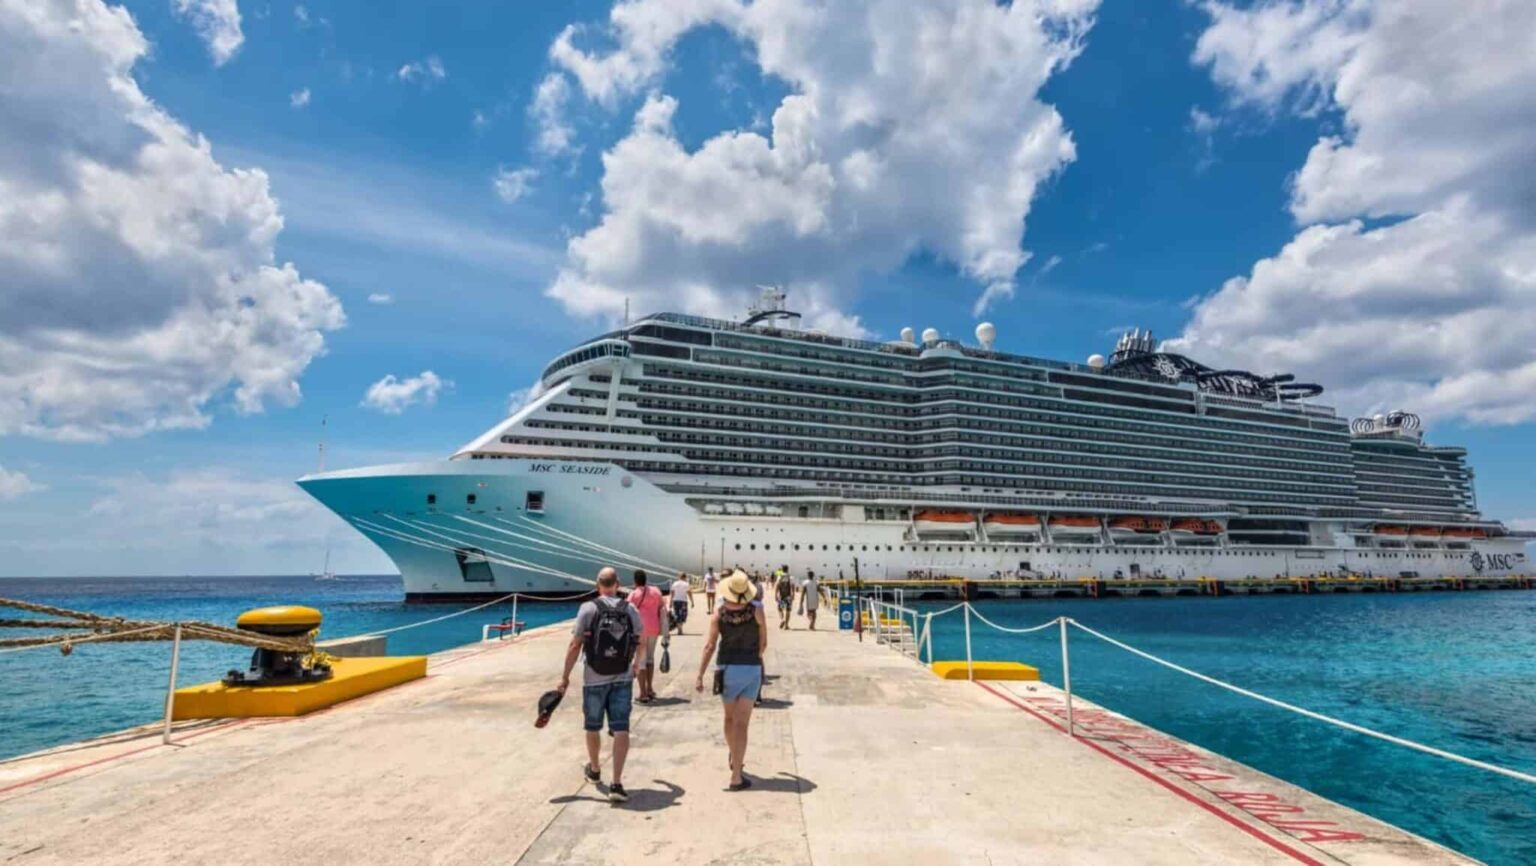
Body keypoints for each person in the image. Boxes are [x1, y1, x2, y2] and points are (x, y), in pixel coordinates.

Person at [557, 567, 644, 803]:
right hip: (623, 677)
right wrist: (637, 665)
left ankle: (595, 769)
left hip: (593, 677)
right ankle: (617, 783)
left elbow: (575, 644)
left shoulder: (588, 608)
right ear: (618, 584)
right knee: (622, 729)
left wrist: (564, 676)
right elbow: (640, 641)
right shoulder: (631, 609)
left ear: (598, 586)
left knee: (593, 726)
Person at [695, 571, 767, 791]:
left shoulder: (718, 614)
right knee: (742, 723)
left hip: (726, 669)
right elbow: (764, 643)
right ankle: (737, 774)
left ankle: (733, 753)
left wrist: (699, 674)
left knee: (728, 718)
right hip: (751, 668)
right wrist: (755, 656)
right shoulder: (757, 611)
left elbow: (709, 646)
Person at [627, 569, 666, 703]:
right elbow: (662, 606)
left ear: (635, 581)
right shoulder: (655, 591)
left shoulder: (633, 594)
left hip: (640, 631)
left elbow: (627, 611)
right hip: (654, 629)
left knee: (640, 662)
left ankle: (642, 693)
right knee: (650, 659)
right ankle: (650, 688)